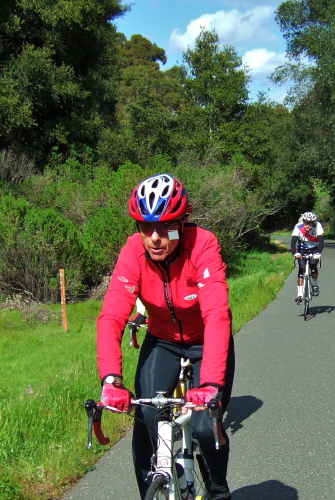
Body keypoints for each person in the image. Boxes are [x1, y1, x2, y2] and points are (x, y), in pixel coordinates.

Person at [96, 173, 235, 500]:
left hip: (205, 342)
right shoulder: (132, 252)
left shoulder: (203, 244)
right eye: (146, 228)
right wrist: (111, 379)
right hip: (162, 341)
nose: (155, 238)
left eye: (167, 228)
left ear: (182, 224)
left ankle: (217, 487)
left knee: (203, 426)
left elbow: (217, 314)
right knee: (146, 420)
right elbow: (112, 316)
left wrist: (211, 384)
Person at [290, 211, 325, 304]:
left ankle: (315, 284)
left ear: (313, 222)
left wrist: (319, 253)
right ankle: (300, 294)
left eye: (310, 223)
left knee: (313, 265)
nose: (308, 225)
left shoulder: (317, 226)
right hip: (302, 250)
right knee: (301, 269)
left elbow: (321, 241)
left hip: (314, 249)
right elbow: (293, 242)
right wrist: (294, 253)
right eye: (306, 222)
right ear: (303, 221)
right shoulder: (298, 227)